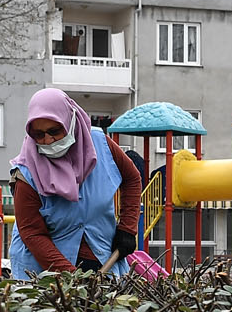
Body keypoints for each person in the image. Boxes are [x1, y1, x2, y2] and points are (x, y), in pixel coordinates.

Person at [10, 88, 140, 278]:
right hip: (46, 269)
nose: (47, 140)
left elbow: (132, 179)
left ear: (70, 121)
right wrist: (73, 278)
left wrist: (127, 228)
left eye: (55, 131)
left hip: (103, 255)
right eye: (38, 134)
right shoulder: (26, 172)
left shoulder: (101, 144)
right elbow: (32, 233)